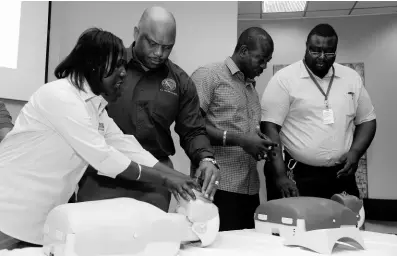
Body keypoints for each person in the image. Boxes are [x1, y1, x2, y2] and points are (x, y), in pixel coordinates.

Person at [0, 28, 200, 249]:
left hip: (41, 215)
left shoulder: (95, 105)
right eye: (116, 66)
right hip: (9, 208)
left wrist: (178, 177)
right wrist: (164, 180)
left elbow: (124, 144)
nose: (123, 73)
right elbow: (103, 157)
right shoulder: (61, 97)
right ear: (93, 66)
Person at [77, 6, 220, 211]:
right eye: (152, 44)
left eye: (167, 47)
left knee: (152, 239)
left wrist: (206, 158)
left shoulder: (180, 82)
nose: (159, 53)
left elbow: (193, 130)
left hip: (153, 182)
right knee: (94, 235)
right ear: (136, 33)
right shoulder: (106, 68)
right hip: (103, 175)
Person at [261, 24, 377, 200]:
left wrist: (355, 152)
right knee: (303, 225)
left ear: (336, 50)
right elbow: (270, 128)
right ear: (306, 47)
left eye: (329, 52)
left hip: (341, 174)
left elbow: (367, 120)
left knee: (345, 224)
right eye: (315, 51)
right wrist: (280, 175)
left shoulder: (351, 78)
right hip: (300, 174)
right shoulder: (284, 79)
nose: (321, 57)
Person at [190, 27, 277, 231]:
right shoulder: (209, 76)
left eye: (268, 60)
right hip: (217, 187)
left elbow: (245, 135)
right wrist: (240, 140)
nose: (264, 66)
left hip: (249, 190)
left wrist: (258, 144)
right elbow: (192, 126)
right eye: (261, 59)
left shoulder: (252, 90)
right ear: (244, 51)